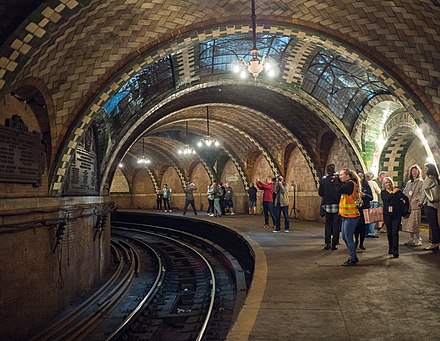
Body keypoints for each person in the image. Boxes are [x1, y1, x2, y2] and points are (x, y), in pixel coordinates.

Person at [335, 168, 361, 266]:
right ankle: (353, 255)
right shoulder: (347, 184)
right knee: (344, 237)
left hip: (352, 216)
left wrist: (336, 180)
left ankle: (353, 259)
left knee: (348, 237)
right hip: (345, 215)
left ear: (348, 176)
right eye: (340, 175)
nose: (340, 177)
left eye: (342, 175)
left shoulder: (350, 184)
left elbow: (338, 190)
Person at [381, 177, 409, 258]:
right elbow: (387, 199)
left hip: (396, 215)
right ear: (384, 184)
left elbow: (406, 199)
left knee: (395, 232)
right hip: (387, 215)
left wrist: (405, 210)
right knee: (389, 232)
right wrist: (393, 193)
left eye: (389, 182)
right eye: (386, 183)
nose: (388, 184)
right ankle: (390, 248)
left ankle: (395, 250)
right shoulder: (383, 192)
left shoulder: (398, 191)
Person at [318, 164, 340, 250]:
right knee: (336, 225)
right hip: (337, 205)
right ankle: (334, 244)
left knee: (328, 224)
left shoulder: (323, 181)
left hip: (327, 205)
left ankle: (327, 243)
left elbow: (320, 193)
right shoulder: (338, 180)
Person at [419, 163, 440, 251]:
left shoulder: (429, 178)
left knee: (432, 224)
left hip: (429, 204)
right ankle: (436, 242)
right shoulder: (435, 178)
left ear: (429, 169)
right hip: (435, 204)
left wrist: (420, 201)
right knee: (435, 223)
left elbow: (424, 191)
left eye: (425, 168)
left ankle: (435, 243)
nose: (424, 170)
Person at [401, 165, 423, 246]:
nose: (414, 172)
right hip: (408, 205)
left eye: (415, 171)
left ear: (418, 172)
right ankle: (411, 239)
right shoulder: (409, 182)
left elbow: (421, 193)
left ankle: (418, 239)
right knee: (408, 223)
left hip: (415, 205)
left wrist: (418, 201)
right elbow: (405, 191)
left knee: (415, 223)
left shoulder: (421, 182)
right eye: (413, 171)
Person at [354, 170, 372, 250]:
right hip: (356, 209)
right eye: (359, 176)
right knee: (356, 226)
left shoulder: (366, 186)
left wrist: (364, 195)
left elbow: (371, 197)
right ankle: (356, 241)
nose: (360, 178)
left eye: (361, 176)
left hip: (364, 209)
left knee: (363, 227)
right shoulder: (354, 185)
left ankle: (361, 243)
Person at [365, 172, 381, 238]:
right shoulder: (373, 183)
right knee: (373, 218)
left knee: (367, 217)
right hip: (373, 201)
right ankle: (371, 232)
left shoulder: (365, 183)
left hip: (367, 201)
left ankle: (366, 232)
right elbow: (379, 191)